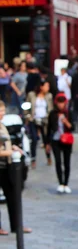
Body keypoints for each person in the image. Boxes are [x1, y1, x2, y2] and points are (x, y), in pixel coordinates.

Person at [0, 100, 32, 235]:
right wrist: (10, 152)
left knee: (13, 195)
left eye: (3, 111)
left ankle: (16, 225)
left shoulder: (2, 126)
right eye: (0, 111)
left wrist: (13, 147)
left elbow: (5, 143)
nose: (3, 114)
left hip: (6, 165)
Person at [48, 93, 74, 194]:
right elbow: (49, 128)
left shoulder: (68, 113)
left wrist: (66, 122)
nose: (61, 105)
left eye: (62, 102)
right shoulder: (52, 114)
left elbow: (73, 127)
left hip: (67, 140)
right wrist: (47, 143)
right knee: (58, 161)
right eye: (59, 102)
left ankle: (66, 183)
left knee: (67, 162)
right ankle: (60, 183)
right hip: (56, 140)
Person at [26, 81, 53, 169]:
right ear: (41, 87)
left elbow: (50, 108)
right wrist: (28, 116)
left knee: (46, 140)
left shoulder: (49, 96)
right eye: (46, 86)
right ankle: (33, 159)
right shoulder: (32, 95)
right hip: (34, 120)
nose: (48, 88)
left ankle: (48, 157)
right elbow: (26, 106)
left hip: (44, 121)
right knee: (34, 139)